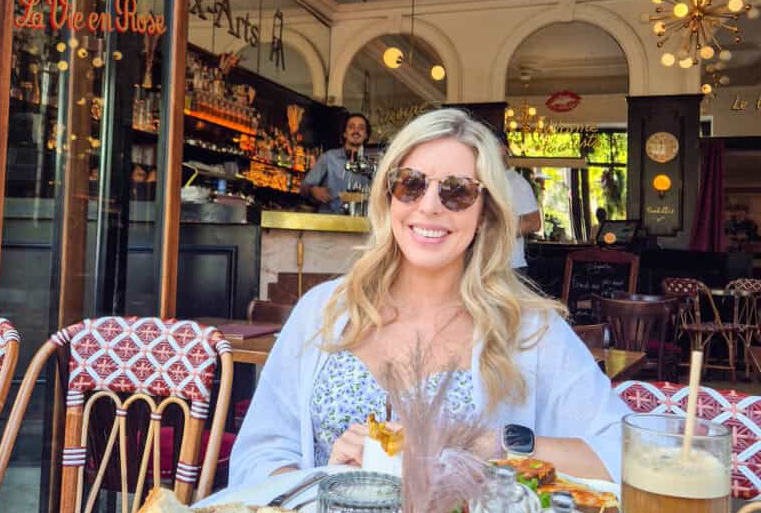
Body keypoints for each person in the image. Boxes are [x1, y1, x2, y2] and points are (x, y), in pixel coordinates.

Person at [229, 108, 627, 491]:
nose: (429, 206)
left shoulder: (529, 329)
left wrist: (493, 446)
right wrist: (323, 484)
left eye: (457, 192)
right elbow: (258, 454)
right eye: (411, 184)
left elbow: (623, 455)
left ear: (485, 212)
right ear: (388, 196)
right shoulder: (323, 310)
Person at [300, 112, 372, 214]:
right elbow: (304, 187)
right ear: (345, 133)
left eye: (361, 128)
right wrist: (313, 190)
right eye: (351, 127)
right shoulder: (329, 158)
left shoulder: (370, 165)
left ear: (366, 135)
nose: (356, 131)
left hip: (359, 224)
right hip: (330, 222)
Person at [499, 137, 541, 274]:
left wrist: (496, 233)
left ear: (504, 149)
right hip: (481, 265)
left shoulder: (517, 183)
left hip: (510, 266)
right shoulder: (481, 178)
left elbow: (534, 223)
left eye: (491, 145)